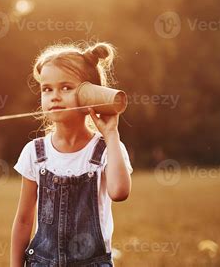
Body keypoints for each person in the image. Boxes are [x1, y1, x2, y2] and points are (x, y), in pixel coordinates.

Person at [11, 42, 133, 266]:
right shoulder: (35, 152)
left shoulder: (107, 150)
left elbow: (119, 192)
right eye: (47, 89)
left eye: (66, 87)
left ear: (90, 95)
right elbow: (23, 219)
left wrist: (111, 133)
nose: (54, 96)